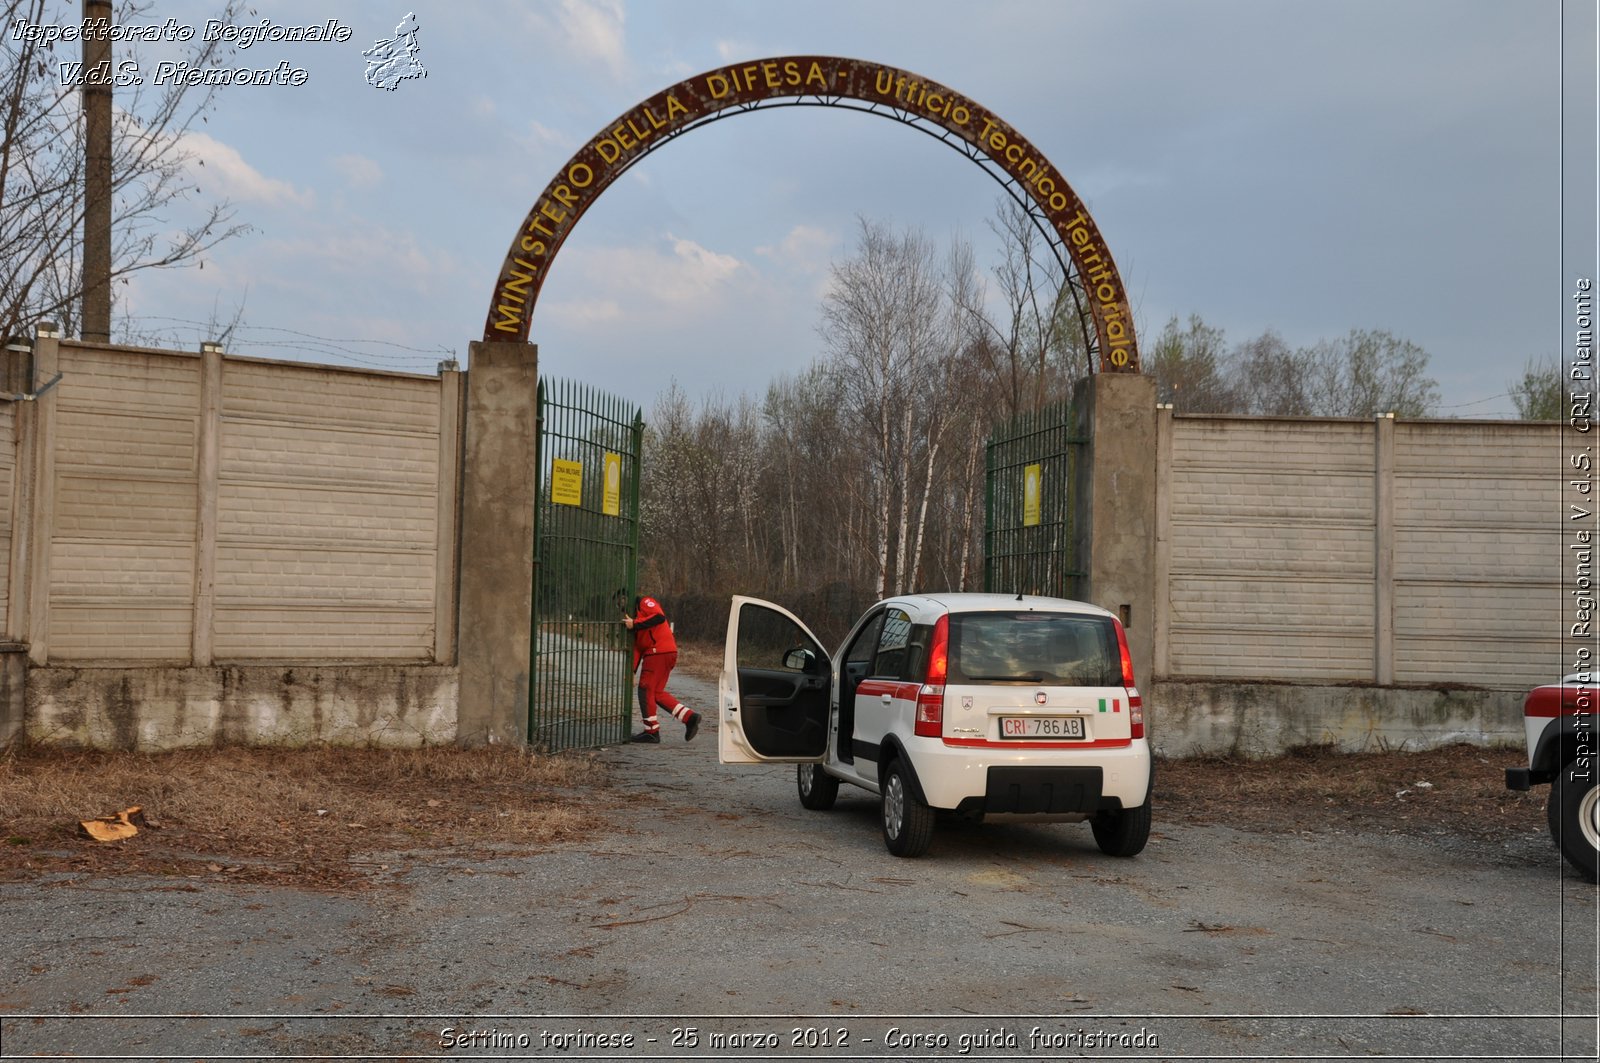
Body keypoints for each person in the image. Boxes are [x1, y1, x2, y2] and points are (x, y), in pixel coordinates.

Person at [623, 595, 701, 743]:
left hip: (658, 652)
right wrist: (631, 671)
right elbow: (638, 649)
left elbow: (659, 617)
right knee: (656, 693)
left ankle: (651, 731)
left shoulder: (644, 602)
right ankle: (690, 718)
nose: (622, 606)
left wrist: (635, 623)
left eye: (623, 600)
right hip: (662, 653)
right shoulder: (636, 623)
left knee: (645, 690)